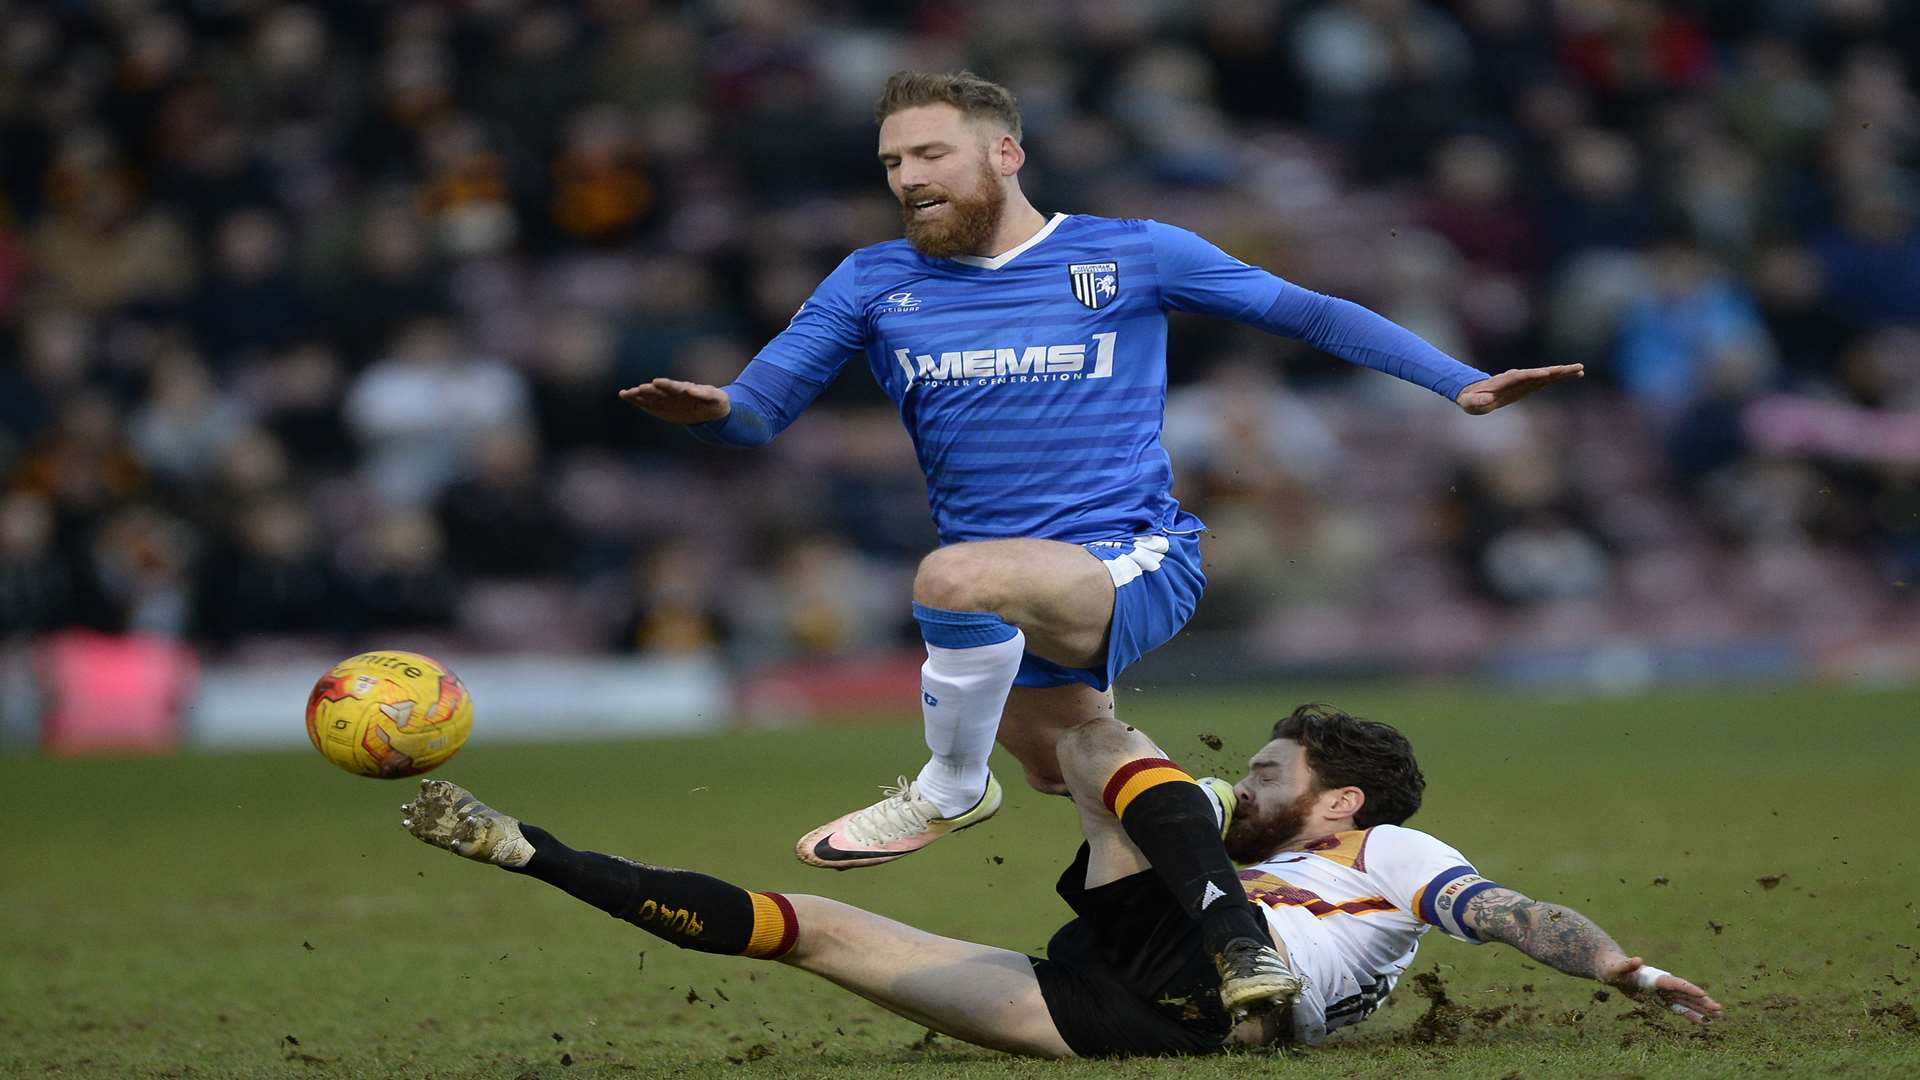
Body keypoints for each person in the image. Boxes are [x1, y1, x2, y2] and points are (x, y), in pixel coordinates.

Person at [620, 69, 1580, 1018]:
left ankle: (951, 786)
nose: (908, 176)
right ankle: (1210, 940)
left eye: (929, 153)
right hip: (1013, 606)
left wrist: (1461, 382)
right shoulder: (874, 280)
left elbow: (1308, 311)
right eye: (891, 161)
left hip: (1132, 557)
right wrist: (712, 410)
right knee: (1082, 763)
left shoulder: (1131, 255)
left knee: (948, 576)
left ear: (1005, 153)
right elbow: (759, 409)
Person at [400, 703, 1721, 1058]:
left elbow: (1504, 917)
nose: (1247, 785)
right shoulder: (1209, 828)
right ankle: (531, 850)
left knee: (1105, 740)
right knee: (810, 931)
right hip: (1125, 1016)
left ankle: (957, 768)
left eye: (1270, 771)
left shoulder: (1387, 852)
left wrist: (1619, 965)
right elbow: (1098, 791)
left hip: (1209, 975)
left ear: (1340, 801)